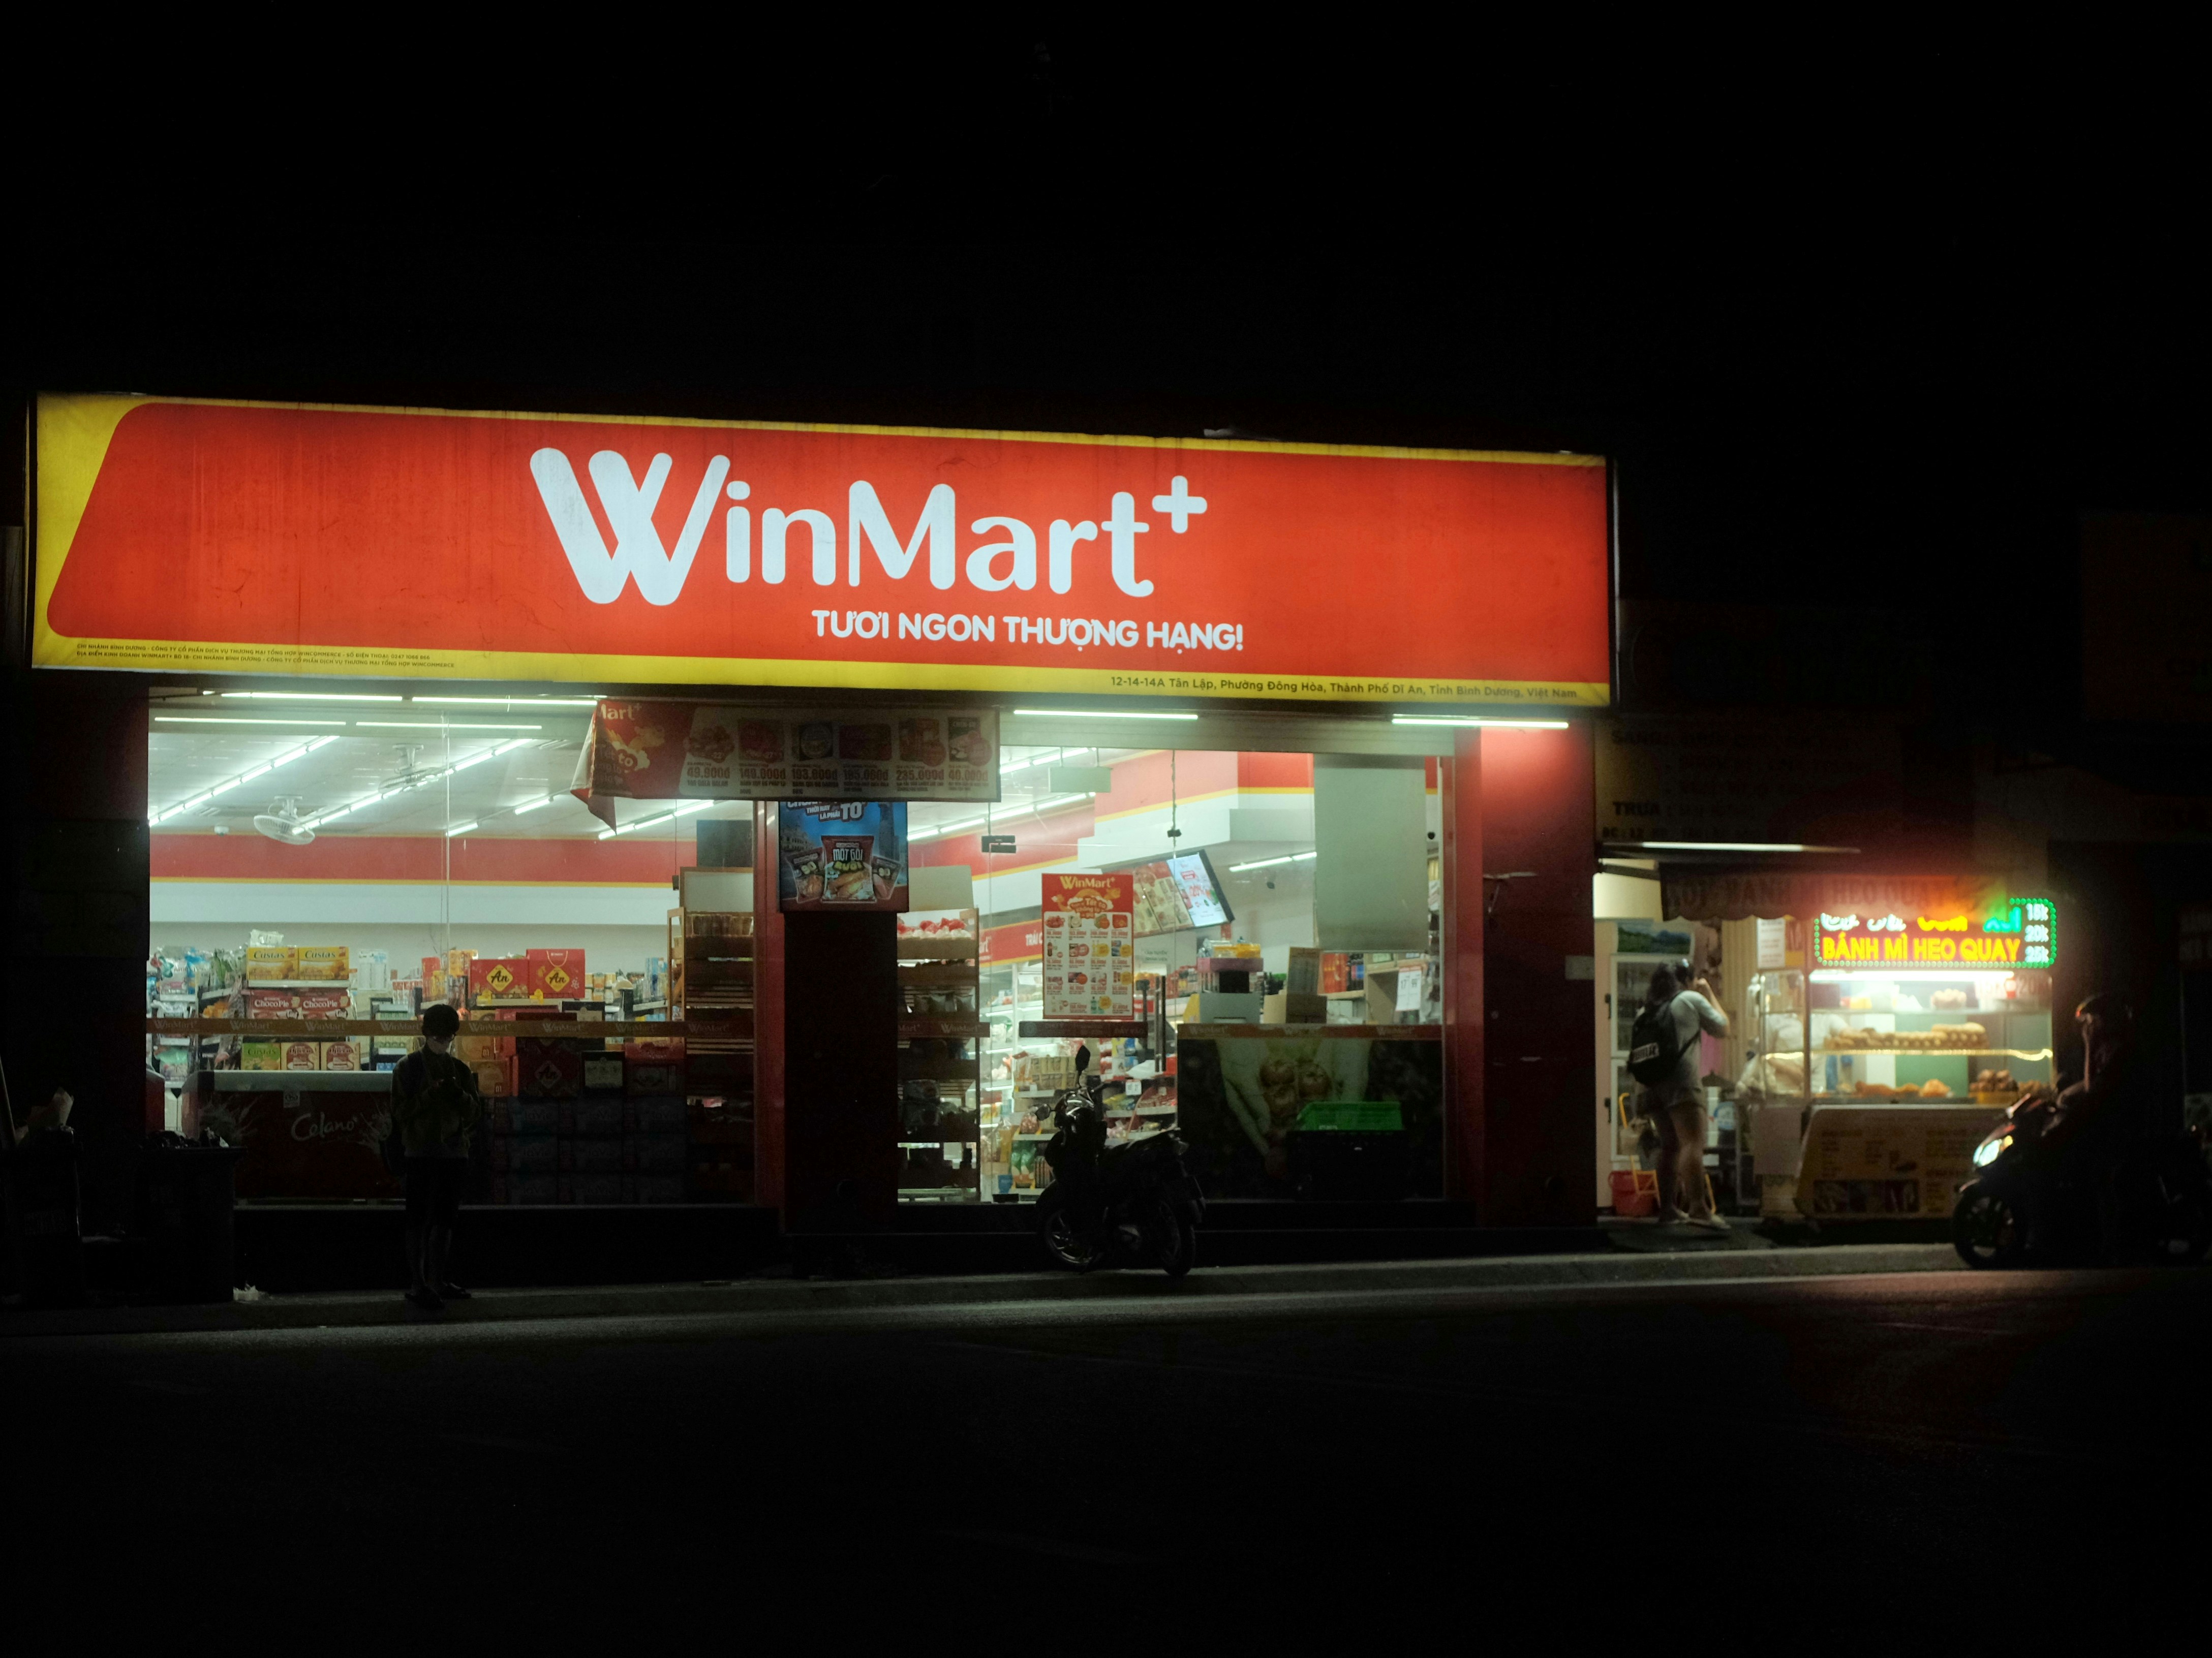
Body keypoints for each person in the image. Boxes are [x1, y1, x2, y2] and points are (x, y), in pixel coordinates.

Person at [2035, 993, 2152, 1258]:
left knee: (2102, 1181)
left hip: (2116, 1128)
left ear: (2104, 1020)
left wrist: (2089, 1045)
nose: (2087, 1027)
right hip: (2107, 1125)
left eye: (2091, 1021)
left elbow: (2092, 1088)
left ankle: (2111, 1246)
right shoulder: (2110, 1046)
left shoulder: (2117, 1049)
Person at [390, 1004, 484, 1310]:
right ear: (426, 1035)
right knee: (418, 1220)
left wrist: (458, 1095)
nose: (443, 1044)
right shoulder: (408, 1069)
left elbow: (474, 1112)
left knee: (444, 1220)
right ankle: (419, 1283)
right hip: (420, 1152)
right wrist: (429, 1095)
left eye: (448, 1038)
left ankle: (436, 1280)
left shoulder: (460, 1070)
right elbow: (400, 1113)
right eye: (438, 1037)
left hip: (453, 1154)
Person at [1636, 963, 1731, 1233]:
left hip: (1650, 1087)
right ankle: (1699, 1209)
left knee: (1670, 1147)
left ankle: (1668, 1209)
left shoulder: (1647, 1009)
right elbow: (1723, 1028)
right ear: (1686, 981)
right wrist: (1708, 992)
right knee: (1692, 1144)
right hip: (1681, 1084)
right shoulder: (1689, 1000)